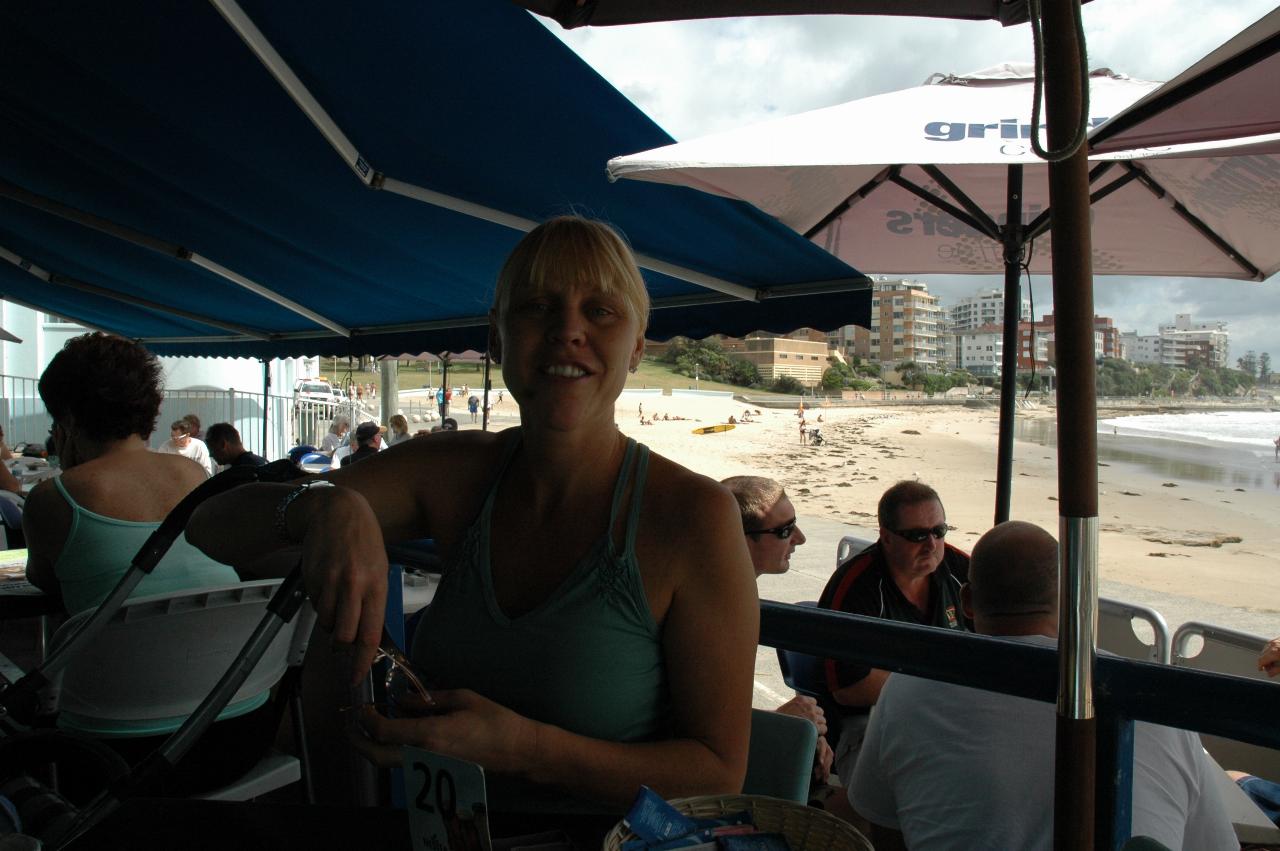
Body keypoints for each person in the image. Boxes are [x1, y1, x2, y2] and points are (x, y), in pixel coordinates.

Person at [186, 216, 758, 812]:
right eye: (537, 306)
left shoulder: (694, 517)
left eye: (601, 311)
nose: (568, 330)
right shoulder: (455, 471)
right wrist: (322, 505)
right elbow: (209, 527)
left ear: (638, 345)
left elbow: (717, 775)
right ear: (496, 339)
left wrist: (523, 749)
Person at [849, 521, 1237, 851]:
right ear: (1072, 600)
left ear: (967, 602)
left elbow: (882, 823)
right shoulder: (1149, 701)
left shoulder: (911, 686)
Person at [21, 333, 277, 796]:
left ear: (68, 420)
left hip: (114, 759)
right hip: (241, 729)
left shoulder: (54, 499)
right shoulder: (196, 475)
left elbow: (44, 581)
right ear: (148, 410)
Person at [817, 480, 970, 780]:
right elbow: (849, 689)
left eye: (939, 531)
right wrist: (942, 681)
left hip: (949, 717)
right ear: (886, 538)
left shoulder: (958, 568)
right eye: (916, 535)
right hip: (868, 726)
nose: (931, 544)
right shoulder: (857, 588)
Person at [721, 475, 835, 793]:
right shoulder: (713, 610)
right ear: (739, 539)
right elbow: (694, 729)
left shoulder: (734, 598)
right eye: (785, 530)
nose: (800, 538)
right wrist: (782, 721)